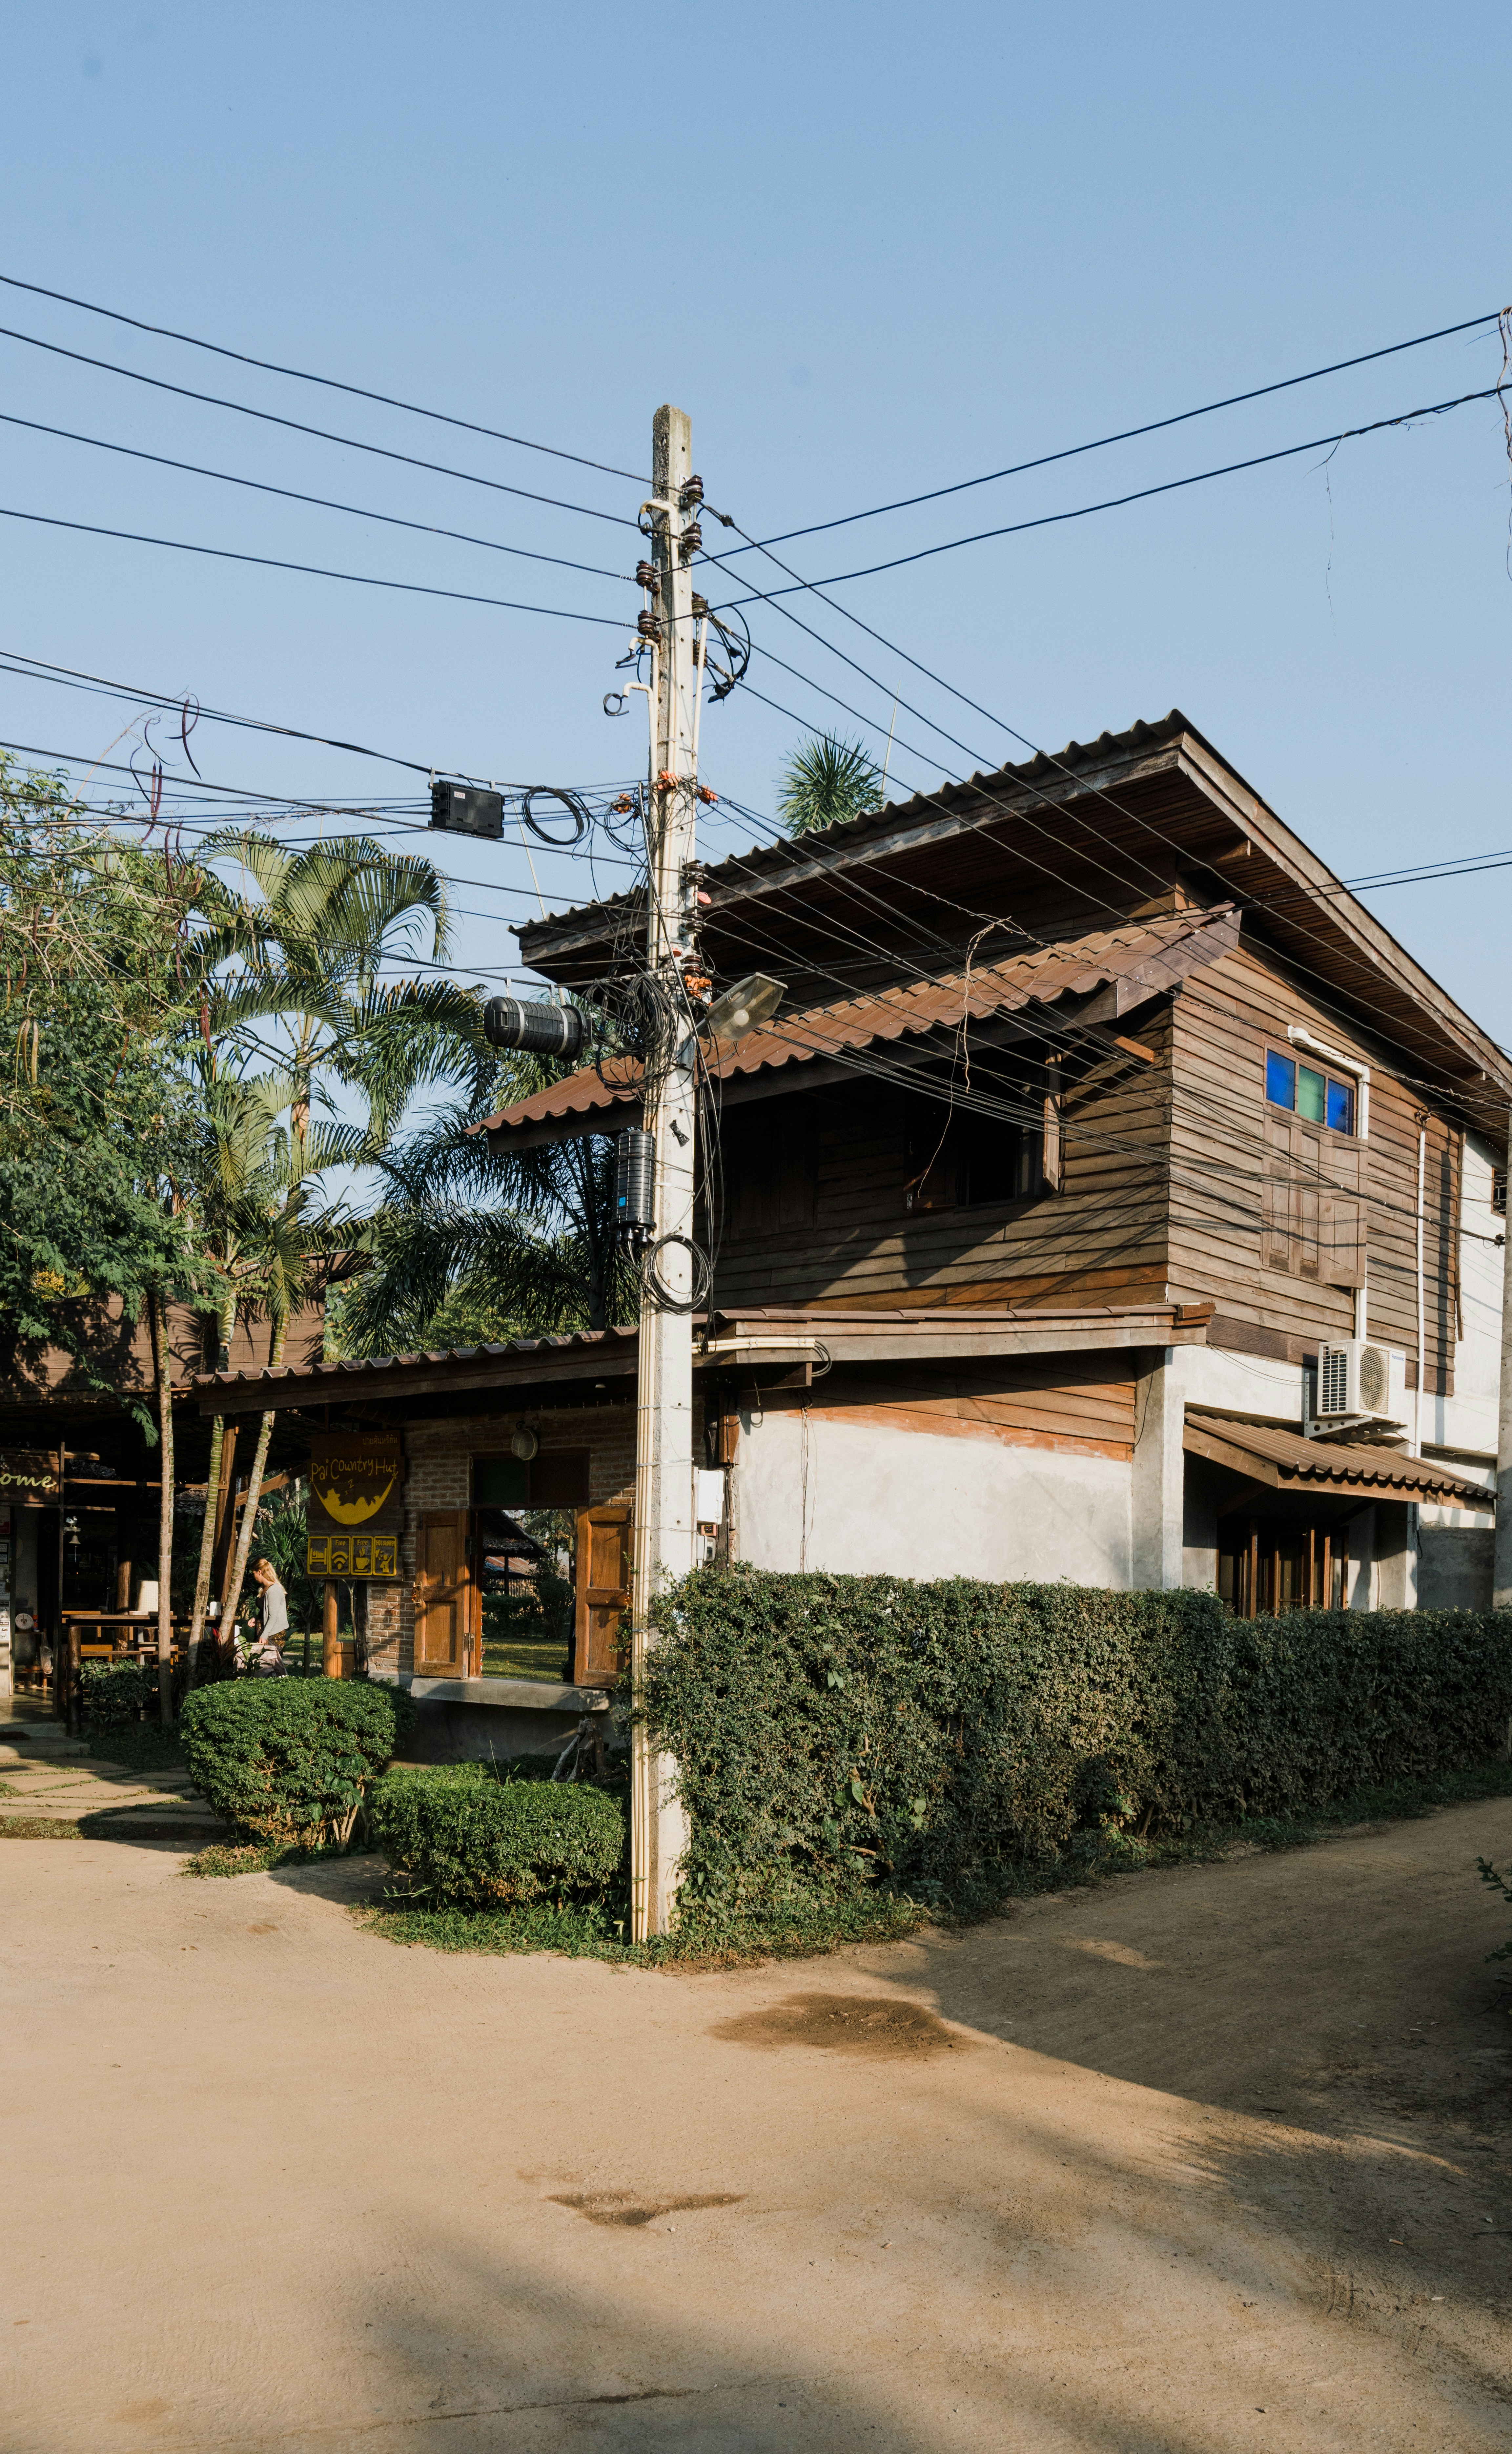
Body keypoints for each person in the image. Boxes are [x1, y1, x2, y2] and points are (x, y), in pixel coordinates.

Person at [238, 1555, 289, 1677]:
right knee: (266, 1667)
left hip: (273, 1634)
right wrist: (256, 1619)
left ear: (260, 1572)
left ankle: (285, 1685)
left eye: (254, 1573)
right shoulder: (264, 1589)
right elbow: (265, 1611)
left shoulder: (274, 1590)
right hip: (265, 1633)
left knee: (272, 1667)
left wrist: (265, 1635)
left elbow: (273, 1616)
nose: (254, 1576)